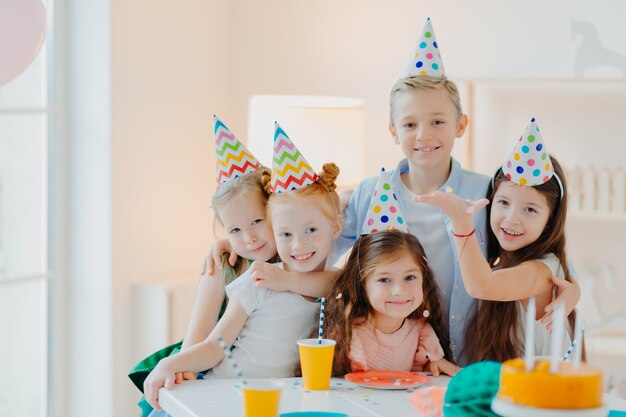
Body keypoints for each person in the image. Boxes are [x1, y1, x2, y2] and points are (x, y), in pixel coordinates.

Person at [333, 19, 579, 365]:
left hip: (467, 353)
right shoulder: (370, 191)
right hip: (395, 356)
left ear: (460, 124)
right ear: (393, 131)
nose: (423, 135)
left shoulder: (486, 192)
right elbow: (326, 256)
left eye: (437, 121)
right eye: (409, 124)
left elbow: (542, 260)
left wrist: (575, 292)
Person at [143, 123, 342, 412]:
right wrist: (175, 365)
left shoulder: (319, 273)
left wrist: (286, 279)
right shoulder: (246, 274)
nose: (249, 238)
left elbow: (339, 281)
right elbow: (209, 344)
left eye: (257, 223)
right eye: (234, 230)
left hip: (280, 397)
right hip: (217, 379)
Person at [415, 118, 576, 362]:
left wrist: (461, 224)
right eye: (503, 203)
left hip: (544, 396)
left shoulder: (543, 270)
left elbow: (482, 285)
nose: (512, 219)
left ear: (550, 222)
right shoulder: (499, 261)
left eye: (530, 210)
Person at [322, 169, 459, 376]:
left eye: (410, 277)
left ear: (424, 277)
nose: (399, 290)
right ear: (362, 282)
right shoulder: (349, 332)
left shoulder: (420, 329)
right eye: (384, 279)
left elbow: (436, 370)